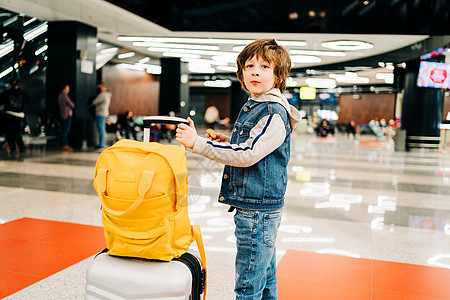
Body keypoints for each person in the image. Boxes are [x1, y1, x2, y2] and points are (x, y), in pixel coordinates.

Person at [176, 38, 301, 299]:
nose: (255, 71)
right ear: (241, 73)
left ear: (278, 75)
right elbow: (251, 144)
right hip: (258, 207)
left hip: (257, 210)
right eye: (249, 65)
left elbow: (248, 154)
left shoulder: (272, 111)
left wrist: (198, 144)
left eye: (265, 67)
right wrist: (226, 142)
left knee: (248, 284)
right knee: (264, 275)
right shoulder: (257, 104)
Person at [0, 78, 29, 157]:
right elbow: (27, 101)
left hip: (9, 115)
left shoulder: (6, 93)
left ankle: (13, 148)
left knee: (10, 133)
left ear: (9, 84)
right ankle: (21, 147)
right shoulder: (22, 93)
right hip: (19, 115)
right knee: (17, 132)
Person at [92, 83, 112, 149]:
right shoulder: (108, 95)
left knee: (101, 129)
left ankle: (101, 144)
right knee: (102, 129)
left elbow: (94, 102)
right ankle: (102, 144)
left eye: (100, 87)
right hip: (105, 113)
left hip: (100, 113)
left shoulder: (102, 95)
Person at [58, 84, 75, 151]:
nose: (68, 90)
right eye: (67, 88)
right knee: (65, 131)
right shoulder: (64, 95)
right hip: (66, 115)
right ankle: (63, 145)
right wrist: (69, 106)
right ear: (63, 89)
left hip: (64, 115)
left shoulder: (61, 95)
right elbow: (72, 104)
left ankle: (63, 144)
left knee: (64, 130)